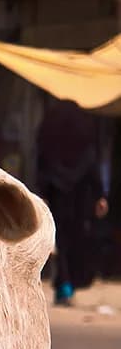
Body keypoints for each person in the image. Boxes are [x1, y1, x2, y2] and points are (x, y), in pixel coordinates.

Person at [37, 99, 110, 306]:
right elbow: (92, 162)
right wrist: (99, 195)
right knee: (73, 239)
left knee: (61, 240)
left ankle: (64, 285)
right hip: (81, 195)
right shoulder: (85, 129)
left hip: (58, 192)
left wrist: (42, 191)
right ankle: (66, 285)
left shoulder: (50, 129)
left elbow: (41, 160)